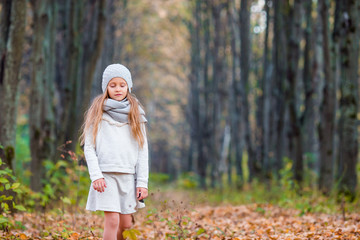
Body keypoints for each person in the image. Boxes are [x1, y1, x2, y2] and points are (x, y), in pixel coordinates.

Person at [79, 63, 149, 240]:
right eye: (113, 85)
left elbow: (142, 150)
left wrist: (142, 182)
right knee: (112, 221)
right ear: (106, 87)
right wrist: (96, 176)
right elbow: (89, 147)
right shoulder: (97, 113)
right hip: (106, 176)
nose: (118, 89)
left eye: (122, 85)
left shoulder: (136, 114)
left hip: (128, 176)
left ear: (128, 86)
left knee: (126, 225)